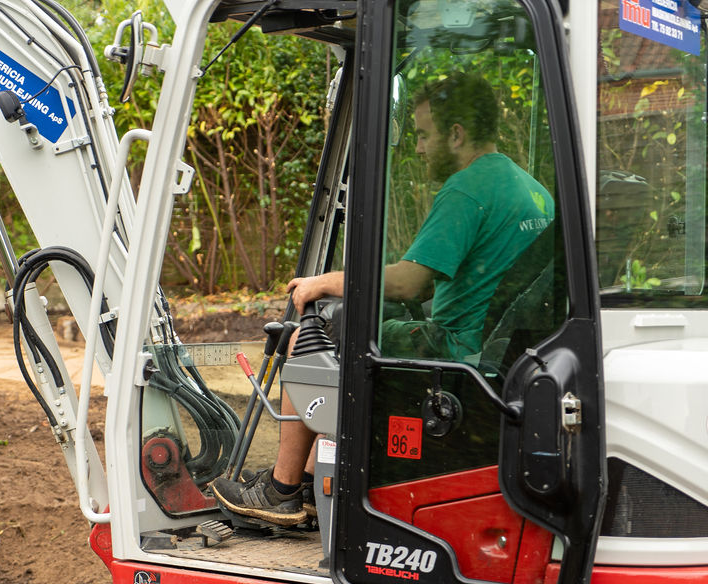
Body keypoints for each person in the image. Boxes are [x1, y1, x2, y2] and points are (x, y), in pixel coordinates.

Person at [210, 72, 554, 526]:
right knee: (351, 325)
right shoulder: (529, 188)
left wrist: (326, 281)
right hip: (499, 343)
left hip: (453, 344)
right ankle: (316, 488)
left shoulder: (466, 189)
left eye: (425, 135)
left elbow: (409, 283)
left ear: (457, 134)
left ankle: (281, 490)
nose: (418, 147)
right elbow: (451, 279)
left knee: (308, 339)